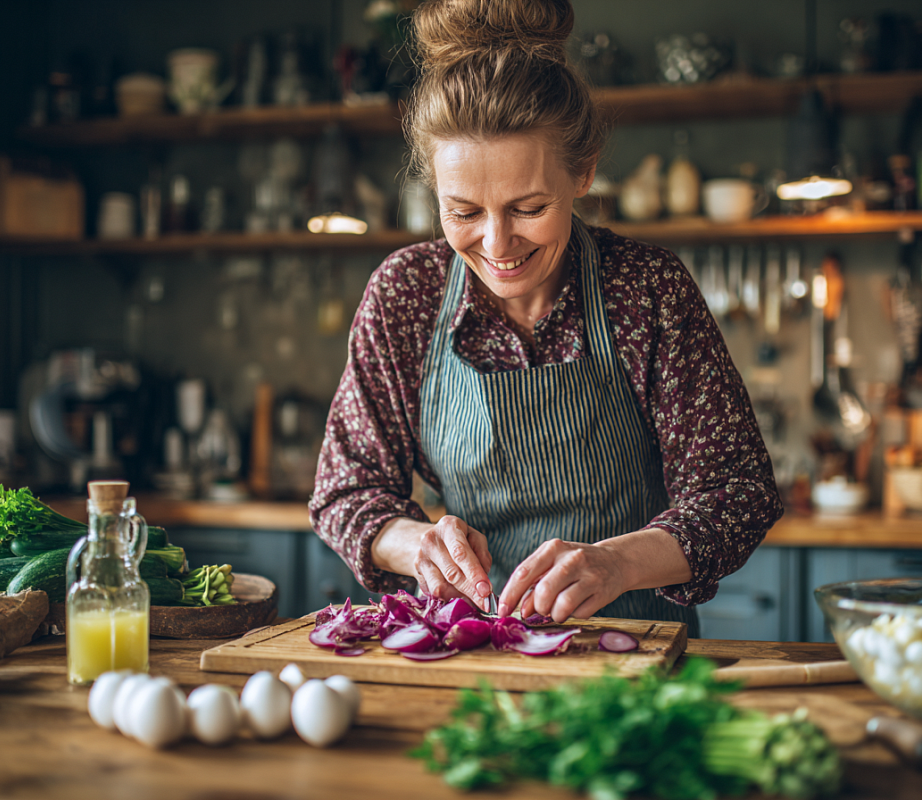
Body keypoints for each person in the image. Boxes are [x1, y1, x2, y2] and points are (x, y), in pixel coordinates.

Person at [309, 0, 782, 637]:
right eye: (464, 212)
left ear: (582, 173)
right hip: (474, 649)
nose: (498, 244)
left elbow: (738, 490)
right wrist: (415, 543)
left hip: (632, 650)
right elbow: (345, 491)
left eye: (529, 207)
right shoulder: (405, 295)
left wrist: (615, 564)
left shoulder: (645, 290)